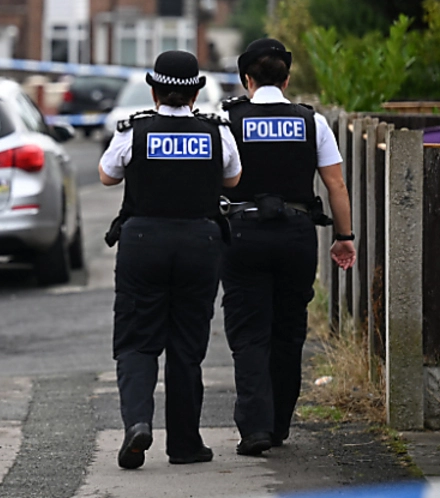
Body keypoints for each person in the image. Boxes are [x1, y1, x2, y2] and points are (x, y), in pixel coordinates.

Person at [99, 50, 242, 470]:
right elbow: (233, 178)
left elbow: (107, 175)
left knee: (136, 340)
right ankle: (184, 444)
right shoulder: (216, 131)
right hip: (200, 243)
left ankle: (138, 423)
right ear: (196, 93)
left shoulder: (134, 131)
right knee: (186, 347)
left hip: (143, 242)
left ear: (154, 92)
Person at [220, 38, 356, 456]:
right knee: (288, 330)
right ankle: (278, 425)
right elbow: (335, 185)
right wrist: (344, 238)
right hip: (296, 235)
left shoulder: (228, 120)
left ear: (247, 79)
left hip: (243, 234)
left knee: (249, 331)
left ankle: (255, 428)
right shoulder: (311, 121)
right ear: (287, 79)